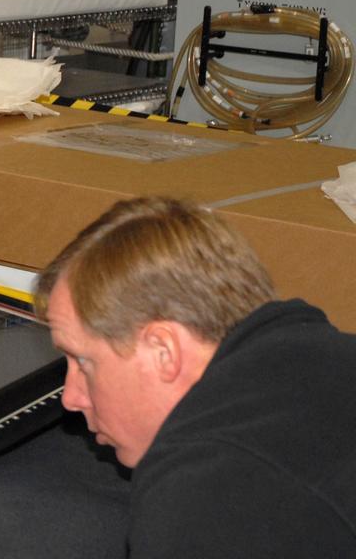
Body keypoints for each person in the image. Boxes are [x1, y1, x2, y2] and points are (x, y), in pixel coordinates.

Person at [35, 196, 356, 558]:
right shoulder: (325, 354)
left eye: (83, 362)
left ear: (164, 351)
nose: (71, 397)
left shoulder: (208, 496)